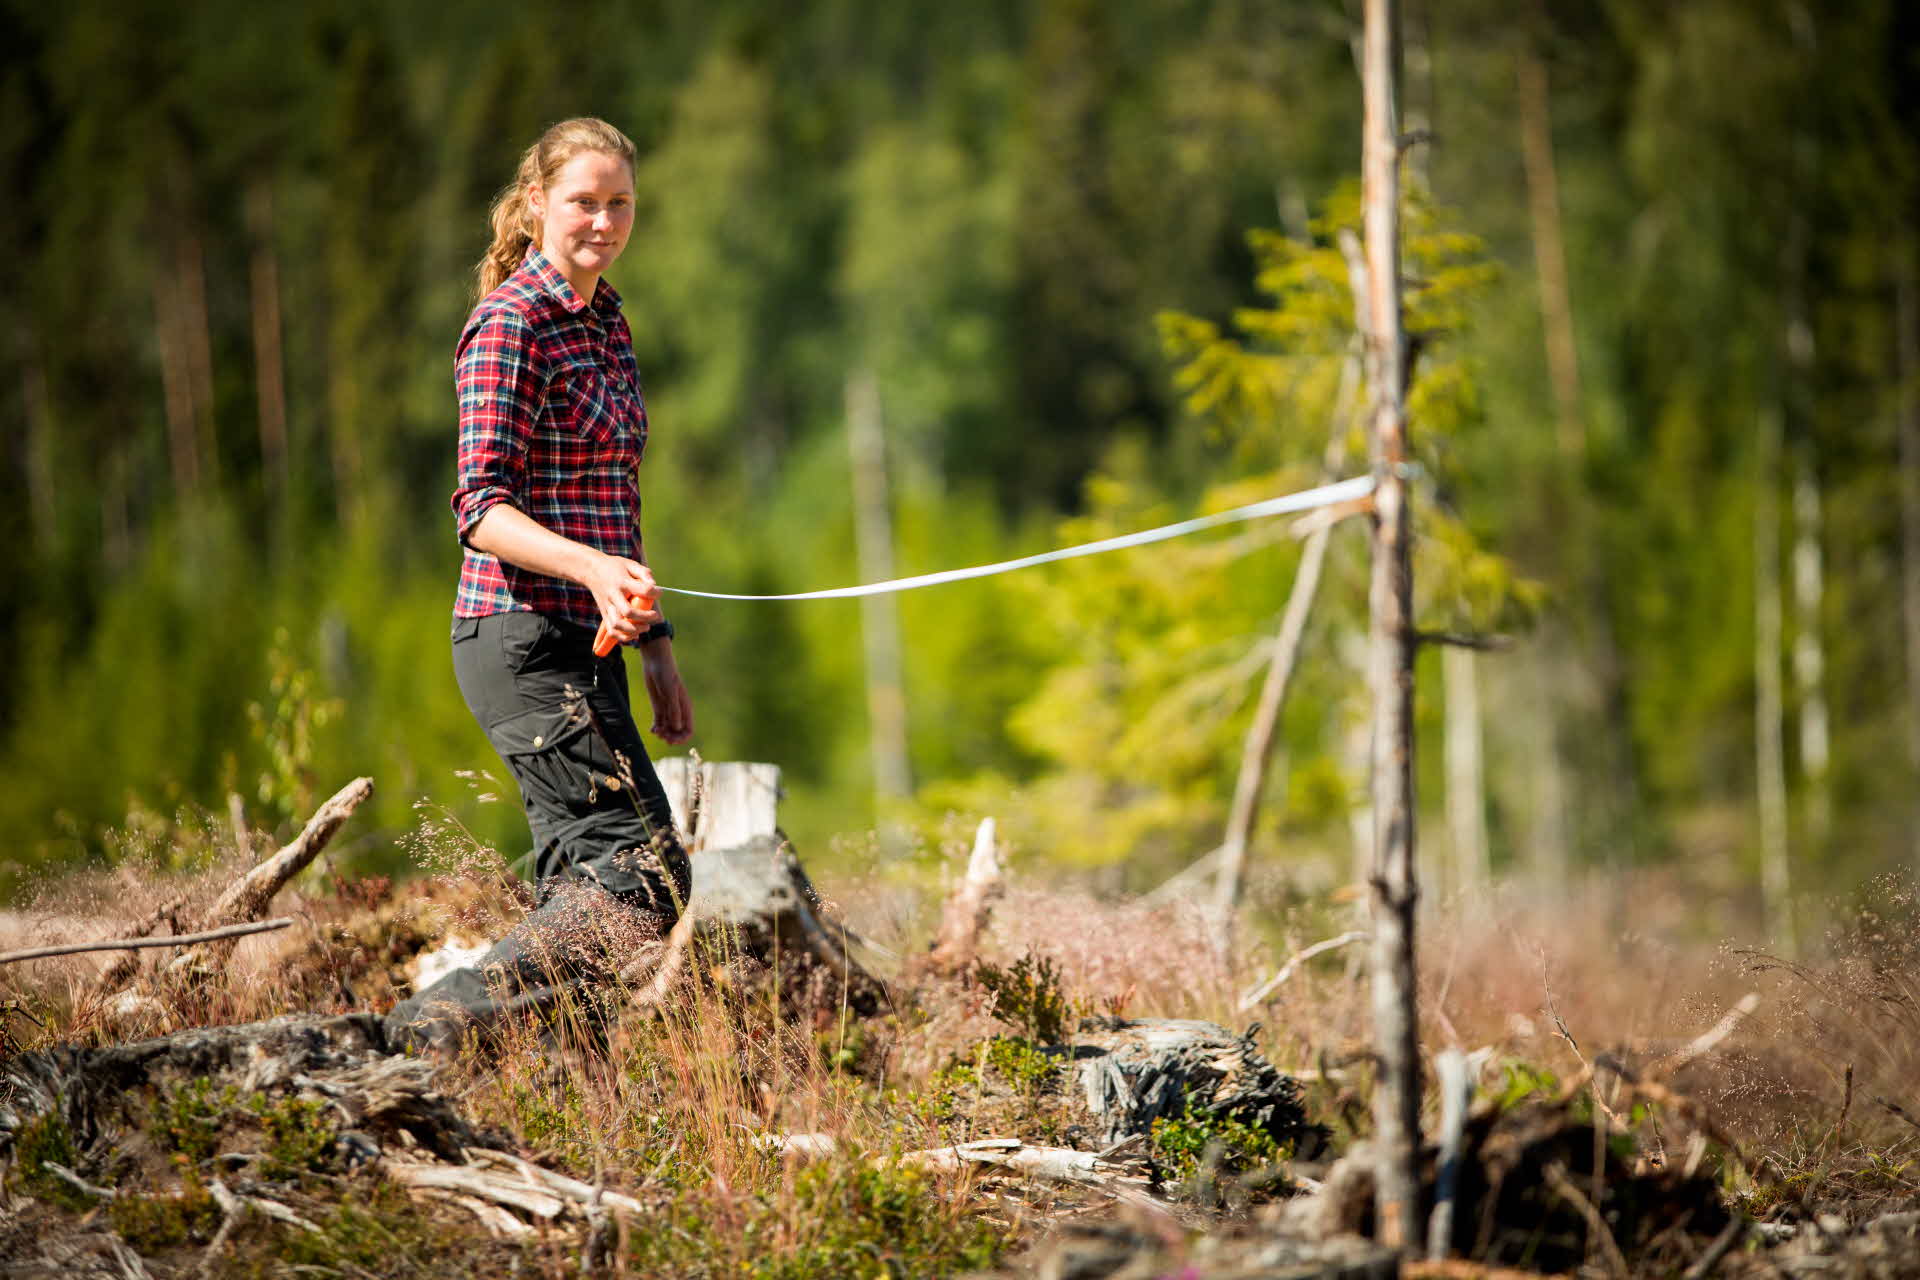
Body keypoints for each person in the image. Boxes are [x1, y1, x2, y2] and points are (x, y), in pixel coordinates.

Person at [386, 117, 693, 1054]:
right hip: (518, 638)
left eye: (619, 203)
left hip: (590, 642)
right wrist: (594, 570)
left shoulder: (608, 321)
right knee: (646, 878)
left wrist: (658, 648)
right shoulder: (509, 323)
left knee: (582, 890)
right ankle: (419, 1030)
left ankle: (553, 1094)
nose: (603, 221)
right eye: (583, 202)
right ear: (535, 207)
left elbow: (616, 506)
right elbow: (480, 508)